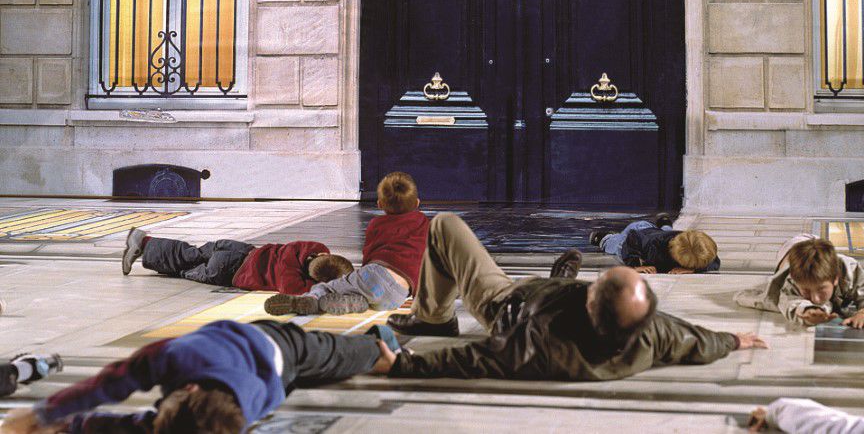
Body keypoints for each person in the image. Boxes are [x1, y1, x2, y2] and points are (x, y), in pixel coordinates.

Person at [376, 211, 767, 380]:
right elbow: (690, 339)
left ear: (590, 303)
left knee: (445, 225)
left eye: (593, 287)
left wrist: (402, 365)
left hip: (507, 301)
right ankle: (560, 279)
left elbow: (474, 358)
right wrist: (734, 339)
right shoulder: (647, 332)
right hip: (547, 295)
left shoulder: (538, 345)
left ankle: (432, 317)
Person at [0, 319, 393, 434]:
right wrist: (48, 416)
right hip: (276, 359)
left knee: (358, 355)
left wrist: (69, 426)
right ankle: (377, 348)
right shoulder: (182, 364)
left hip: (280, 353)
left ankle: (381, 345)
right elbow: (110, 385)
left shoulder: (175, 357)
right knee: (339, 357)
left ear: (186, 389)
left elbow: (138, 418)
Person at [266, 171, 431, 317]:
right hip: (399, 294)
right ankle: (352, 303)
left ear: (380, 204)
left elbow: (370, 254)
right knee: (369, 299)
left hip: (375, 274)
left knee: (332, 287)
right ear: (417, 203)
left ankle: (311, 299)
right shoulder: (424, 223)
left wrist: (363, 274)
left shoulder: (376, 224)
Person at [119, 225, 351, 293]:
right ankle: (146, 251)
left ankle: (145, 241)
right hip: (231, 272)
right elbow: (290, 288)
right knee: (186, 270)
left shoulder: (314, 248)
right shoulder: (294, 280)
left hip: (241, 250)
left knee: (191, 253)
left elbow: (319, 255)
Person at [735, 234, 864, 327]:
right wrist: (808, 311)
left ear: (835, 278)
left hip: (813, 242)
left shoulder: (848, 268)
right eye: (805, 291)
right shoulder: (791, 279)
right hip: (789, 248)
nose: (815, 298)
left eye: (821, 289)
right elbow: (787, 300)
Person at [589, 216, 720, 276]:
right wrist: (636, 266)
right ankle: (604, 238)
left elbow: (714, 262)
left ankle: (665, 224)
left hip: (659, 233)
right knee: (617, 245)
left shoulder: (688, 243)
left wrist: (693, 270)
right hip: (637, 232)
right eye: (690, 265)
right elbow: (632, 239)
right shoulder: (651, 246)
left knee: (664, 232)